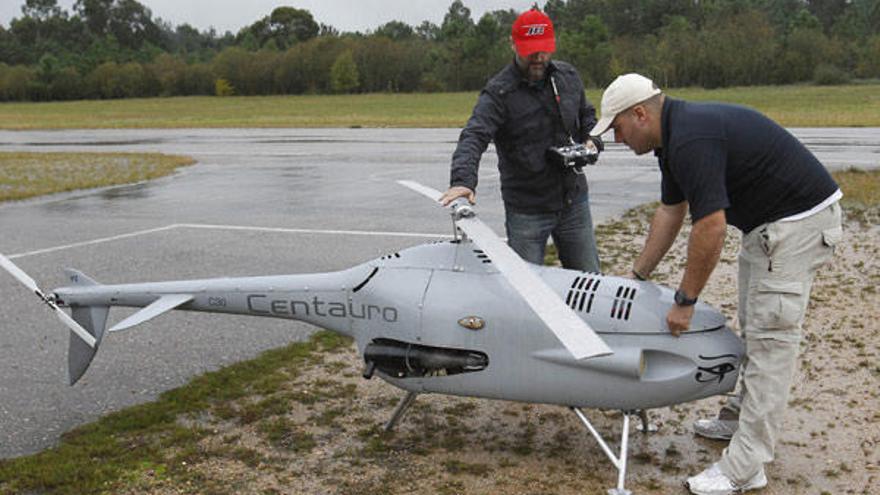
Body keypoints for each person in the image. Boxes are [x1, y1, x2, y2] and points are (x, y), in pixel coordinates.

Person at [590, 73, 843, 495]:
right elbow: (671, 213)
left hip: (796, 225)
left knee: (769, 343)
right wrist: (636, 277)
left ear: (640, 114)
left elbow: (710, 225)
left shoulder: (688, 140)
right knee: (754, 323)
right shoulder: (671, 140)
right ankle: (740, 419)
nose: (616, 139)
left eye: (616, 128)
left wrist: (685, 301)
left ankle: (746, 467)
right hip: (768, 227)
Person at [439, 8, 603, 272]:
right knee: (527, 291)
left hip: (573, 201)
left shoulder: (568, 77)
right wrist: (463, 181)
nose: (539, 57)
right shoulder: (499, 92)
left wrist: (592, 141)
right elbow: (474, 135)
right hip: (527, 211)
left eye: (544, 50)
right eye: (531, 50)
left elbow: (587, 117)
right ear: (513, 44)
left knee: (591, 283)